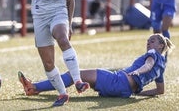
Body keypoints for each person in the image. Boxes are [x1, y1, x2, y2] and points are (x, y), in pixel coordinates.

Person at [18, 33, 175, 98]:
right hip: (124, 92)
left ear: (161, 46)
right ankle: (88, 84)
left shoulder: (154, 55)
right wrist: (138, 93)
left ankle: (34, 87)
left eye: (152, 41)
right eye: (148, 41)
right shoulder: (162, 67)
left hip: (118, 81)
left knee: (75, 74)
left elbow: (148, 65)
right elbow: (160, 91)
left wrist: (137, 72)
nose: (148, 43)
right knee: (82, 77)